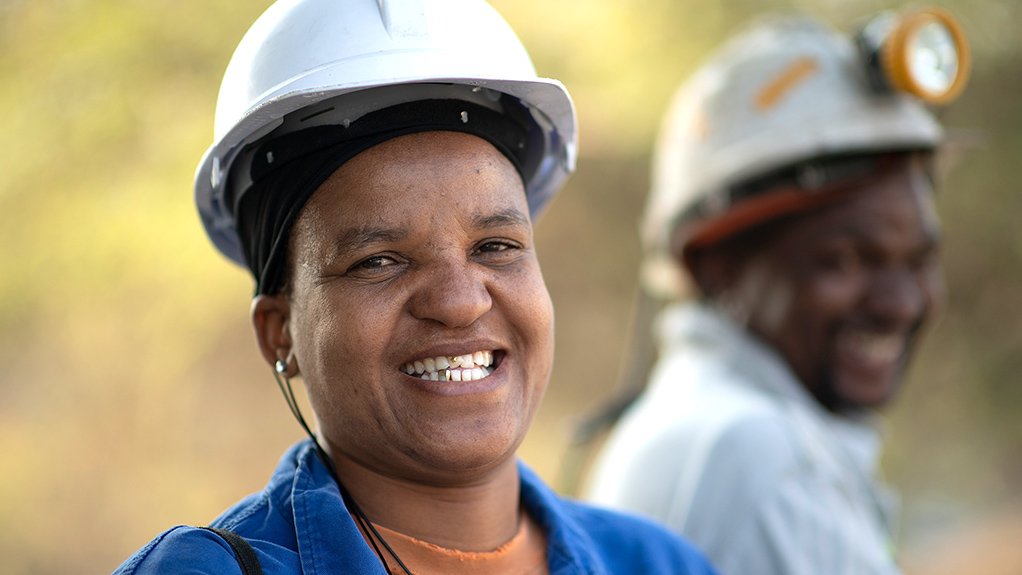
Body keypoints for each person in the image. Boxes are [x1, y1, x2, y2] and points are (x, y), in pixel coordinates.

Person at [114, 1, 718, 573]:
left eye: (495, 248)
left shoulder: (657, 563)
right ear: (281, 334)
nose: (460, 301)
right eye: (379, 261)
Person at [585, 9, 970, 575]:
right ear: (715, 265)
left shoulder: (703, 423)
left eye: (919, 261)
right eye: (842, 260)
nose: (900, 302)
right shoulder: (761, 456)